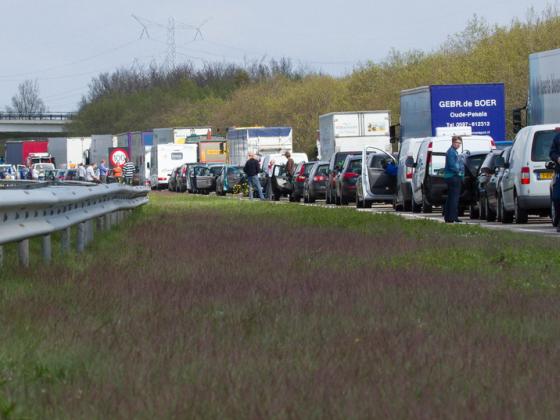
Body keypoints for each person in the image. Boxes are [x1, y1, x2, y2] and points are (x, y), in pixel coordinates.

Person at [443, 136, 464, 223]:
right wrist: (459, 171)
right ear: (453, 142)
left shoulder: (453, 151)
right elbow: (452, 165)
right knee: (454, 198)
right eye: (457, 143)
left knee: (450, 197)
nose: (458, 144)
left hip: (450, 177)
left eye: (459, 143)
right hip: (453, 177)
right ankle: (453, 217)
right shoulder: (451, 152)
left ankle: (448, 217)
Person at [549, 130, 560, 231]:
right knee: (556, 197)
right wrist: (557, 158)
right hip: (559, 173)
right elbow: (552, 152)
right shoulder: (557, 138)